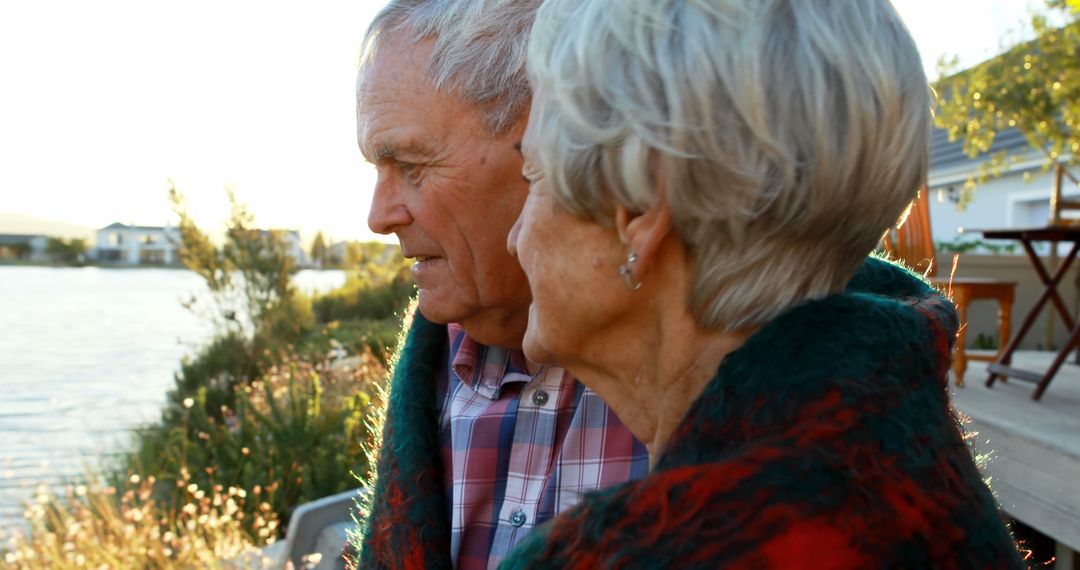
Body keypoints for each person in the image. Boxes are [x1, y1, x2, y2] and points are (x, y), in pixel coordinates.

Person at [501, 0, 1023, 567]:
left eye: (533, 176)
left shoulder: (672, 549)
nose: (514, 239)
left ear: (639, 208)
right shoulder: (902, 463)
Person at [353, 1, 648, 568]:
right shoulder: (432, 366)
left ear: (553, 137)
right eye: (377, 169)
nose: (379, 214)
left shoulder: (711, 360)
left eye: (410, 165)